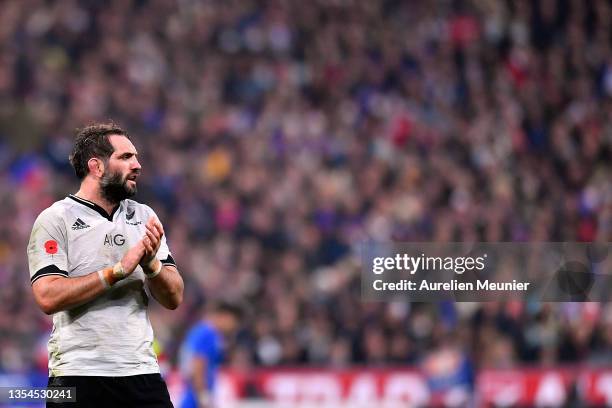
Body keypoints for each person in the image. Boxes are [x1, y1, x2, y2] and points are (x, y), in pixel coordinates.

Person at [27, 122, 184, 407]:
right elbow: (47, 296)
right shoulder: (55, 219)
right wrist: (115, 272)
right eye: (125, 157)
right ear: (96, 166)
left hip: (141, 373)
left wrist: (151, 266)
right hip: (77, 375)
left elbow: (174, 297)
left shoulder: (145, 216)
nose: (137, 165)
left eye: (135, 157)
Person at [179, 302, 242, 408]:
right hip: (195, 397)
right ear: (224, 316)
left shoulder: (205, 332)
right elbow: (198, 365)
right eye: (234, 321)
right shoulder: (207, 334)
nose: (234, 326)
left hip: (194, 393)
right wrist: (203, 397)